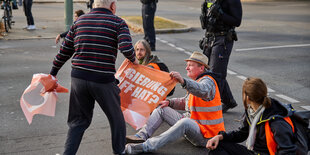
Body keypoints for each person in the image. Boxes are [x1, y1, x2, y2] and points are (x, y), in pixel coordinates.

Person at [47, 0, 138, 154]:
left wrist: (53, 73)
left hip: (79, 79)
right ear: (113, 5)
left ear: (94, 5)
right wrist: (135, 60)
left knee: (77, 122)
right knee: (117, 120)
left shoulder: (80, 21)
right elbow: (126, 48)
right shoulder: (118, 22)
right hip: (103, 80)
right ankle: (119, 151)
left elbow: (65, 51)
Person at [125, 51, 225, 154]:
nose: (187, 68)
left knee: (185, 122)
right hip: (196, 128)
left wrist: (184, 81)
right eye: (187, 65)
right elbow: (186, 102)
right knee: (162, 109)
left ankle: (146, 146)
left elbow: (202, 90)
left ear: (201, 68)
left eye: (190, 65)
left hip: (208, 137)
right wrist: (169, 102)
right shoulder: (198, 81)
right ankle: (140, 136)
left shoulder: (209, 81)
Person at [206, 77, 297, 155]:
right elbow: (242, 134)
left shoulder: (276, 121)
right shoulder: (251, 111)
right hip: (254, 152)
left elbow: (288, 151)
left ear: (247, 98)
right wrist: (220, 137)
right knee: (218, 146)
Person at [199, 0, 242, 112]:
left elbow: (237, 21)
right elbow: (209, 21)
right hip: (210, 38)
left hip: (223, 39)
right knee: (205, 71)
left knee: (216, 73)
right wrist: (205, 38)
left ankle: (213, 105)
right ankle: (228, 101)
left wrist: (221, 14)